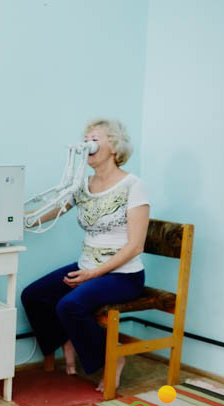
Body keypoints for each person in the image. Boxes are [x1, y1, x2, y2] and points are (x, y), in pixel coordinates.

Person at [21, 118, 150, 391]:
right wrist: (15, 218)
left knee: (69, 305)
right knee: (33, 296)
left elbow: (135, 246)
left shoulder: (133, 185)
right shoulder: (82, 185)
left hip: (123, 275)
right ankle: (67, 338)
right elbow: (52, 211)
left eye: (95, 139)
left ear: (114, 146)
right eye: (86, 139)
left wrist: (93, 274)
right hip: (87, 267)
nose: (87, 144)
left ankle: (113, 358)